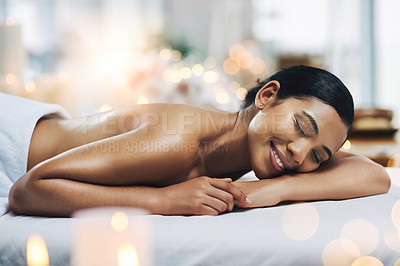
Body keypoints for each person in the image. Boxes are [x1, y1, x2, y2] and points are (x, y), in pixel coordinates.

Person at [8, 65, 390, 217]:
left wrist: (278, 189)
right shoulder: (177, 141)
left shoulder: (264, 158)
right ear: (267, 96)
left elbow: (375, 176)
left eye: (319, 156)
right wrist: (161, 200)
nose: (299, 153)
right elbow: (28, 189)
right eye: (301, 128)